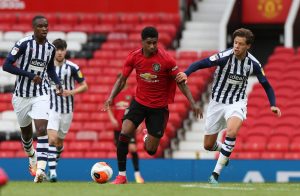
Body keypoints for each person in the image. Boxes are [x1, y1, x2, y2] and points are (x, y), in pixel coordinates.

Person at [175, 28, 282, 184]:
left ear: (248, 46)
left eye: (240, 44)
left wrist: (273, 104)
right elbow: (202, 63)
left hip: (236, 102)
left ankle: (215, 175)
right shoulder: (224, 57)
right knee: (208, 145)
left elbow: (266, 85)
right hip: (217, 103)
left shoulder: (253, 64)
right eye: (235, 43)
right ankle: (224, 151)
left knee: (231, 132)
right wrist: (187, 73)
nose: (236, 46)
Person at [103, 26, 203, 184]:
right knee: (124, 133)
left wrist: (193, 103)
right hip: (139, 103)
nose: (152, 46)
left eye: (155, 43)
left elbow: (181, 82)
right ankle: (122, 175)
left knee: (150, 150)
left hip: (158, 108)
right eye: (149, 43)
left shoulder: (166, 59)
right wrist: (111, 97)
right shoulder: (134, 57)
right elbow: (122, 79)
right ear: (142, 42)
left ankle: (146, 135)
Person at [3, 15, 63, 183]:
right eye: (41, 26)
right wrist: (29, 75)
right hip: (21, 95)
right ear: (34, 28)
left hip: (41, 93)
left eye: (46, 26)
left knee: (42, 129)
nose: (44, 29)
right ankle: (32, 157)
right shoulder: (23, 44)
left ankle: (41, 171)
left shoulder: (50, 48)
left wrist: (57, 84)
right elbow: (6, 65)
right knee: (27, 136)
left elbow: (50, 69)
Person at [46, 38, 88, 182]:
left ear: (65, 51)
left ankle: (53, 163)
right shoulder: (47, 67)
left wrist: (71, 92)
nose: (59, 52)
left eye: (62, 49)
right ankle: (52, 173)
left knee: (59, 142)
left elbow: (84, 85)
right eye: (57, 49)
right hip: (52, 108)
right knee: (51, 139)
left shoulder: (72, 67)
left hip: (67, 110)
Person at [107, 75, 144, 183]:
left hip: (129, 126)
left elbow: (138, 107)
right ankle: (123, 176)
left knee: (132, 148)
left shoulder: (131, 93)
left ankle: (137, 175)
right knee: (121, 150)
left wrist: (139, 122)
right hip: (118, 127)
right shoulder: (115, 93)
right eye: (119, 80)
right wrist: (112, 119)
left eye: (123, 79)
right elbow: (108, 106)